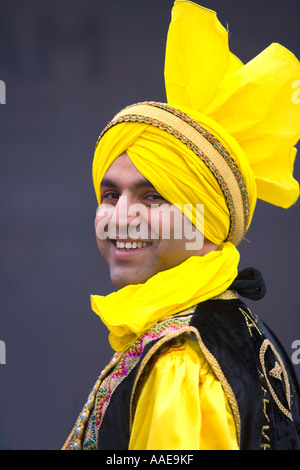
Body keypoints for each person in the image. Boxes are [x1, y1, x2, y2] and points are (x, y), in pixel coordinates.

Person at [62, 1, 300, 450]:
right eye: (110, 195)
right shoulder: (241, 332)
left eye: (154, 196)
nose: (121, 216)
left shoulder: (179, 364)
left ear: (207, 220)